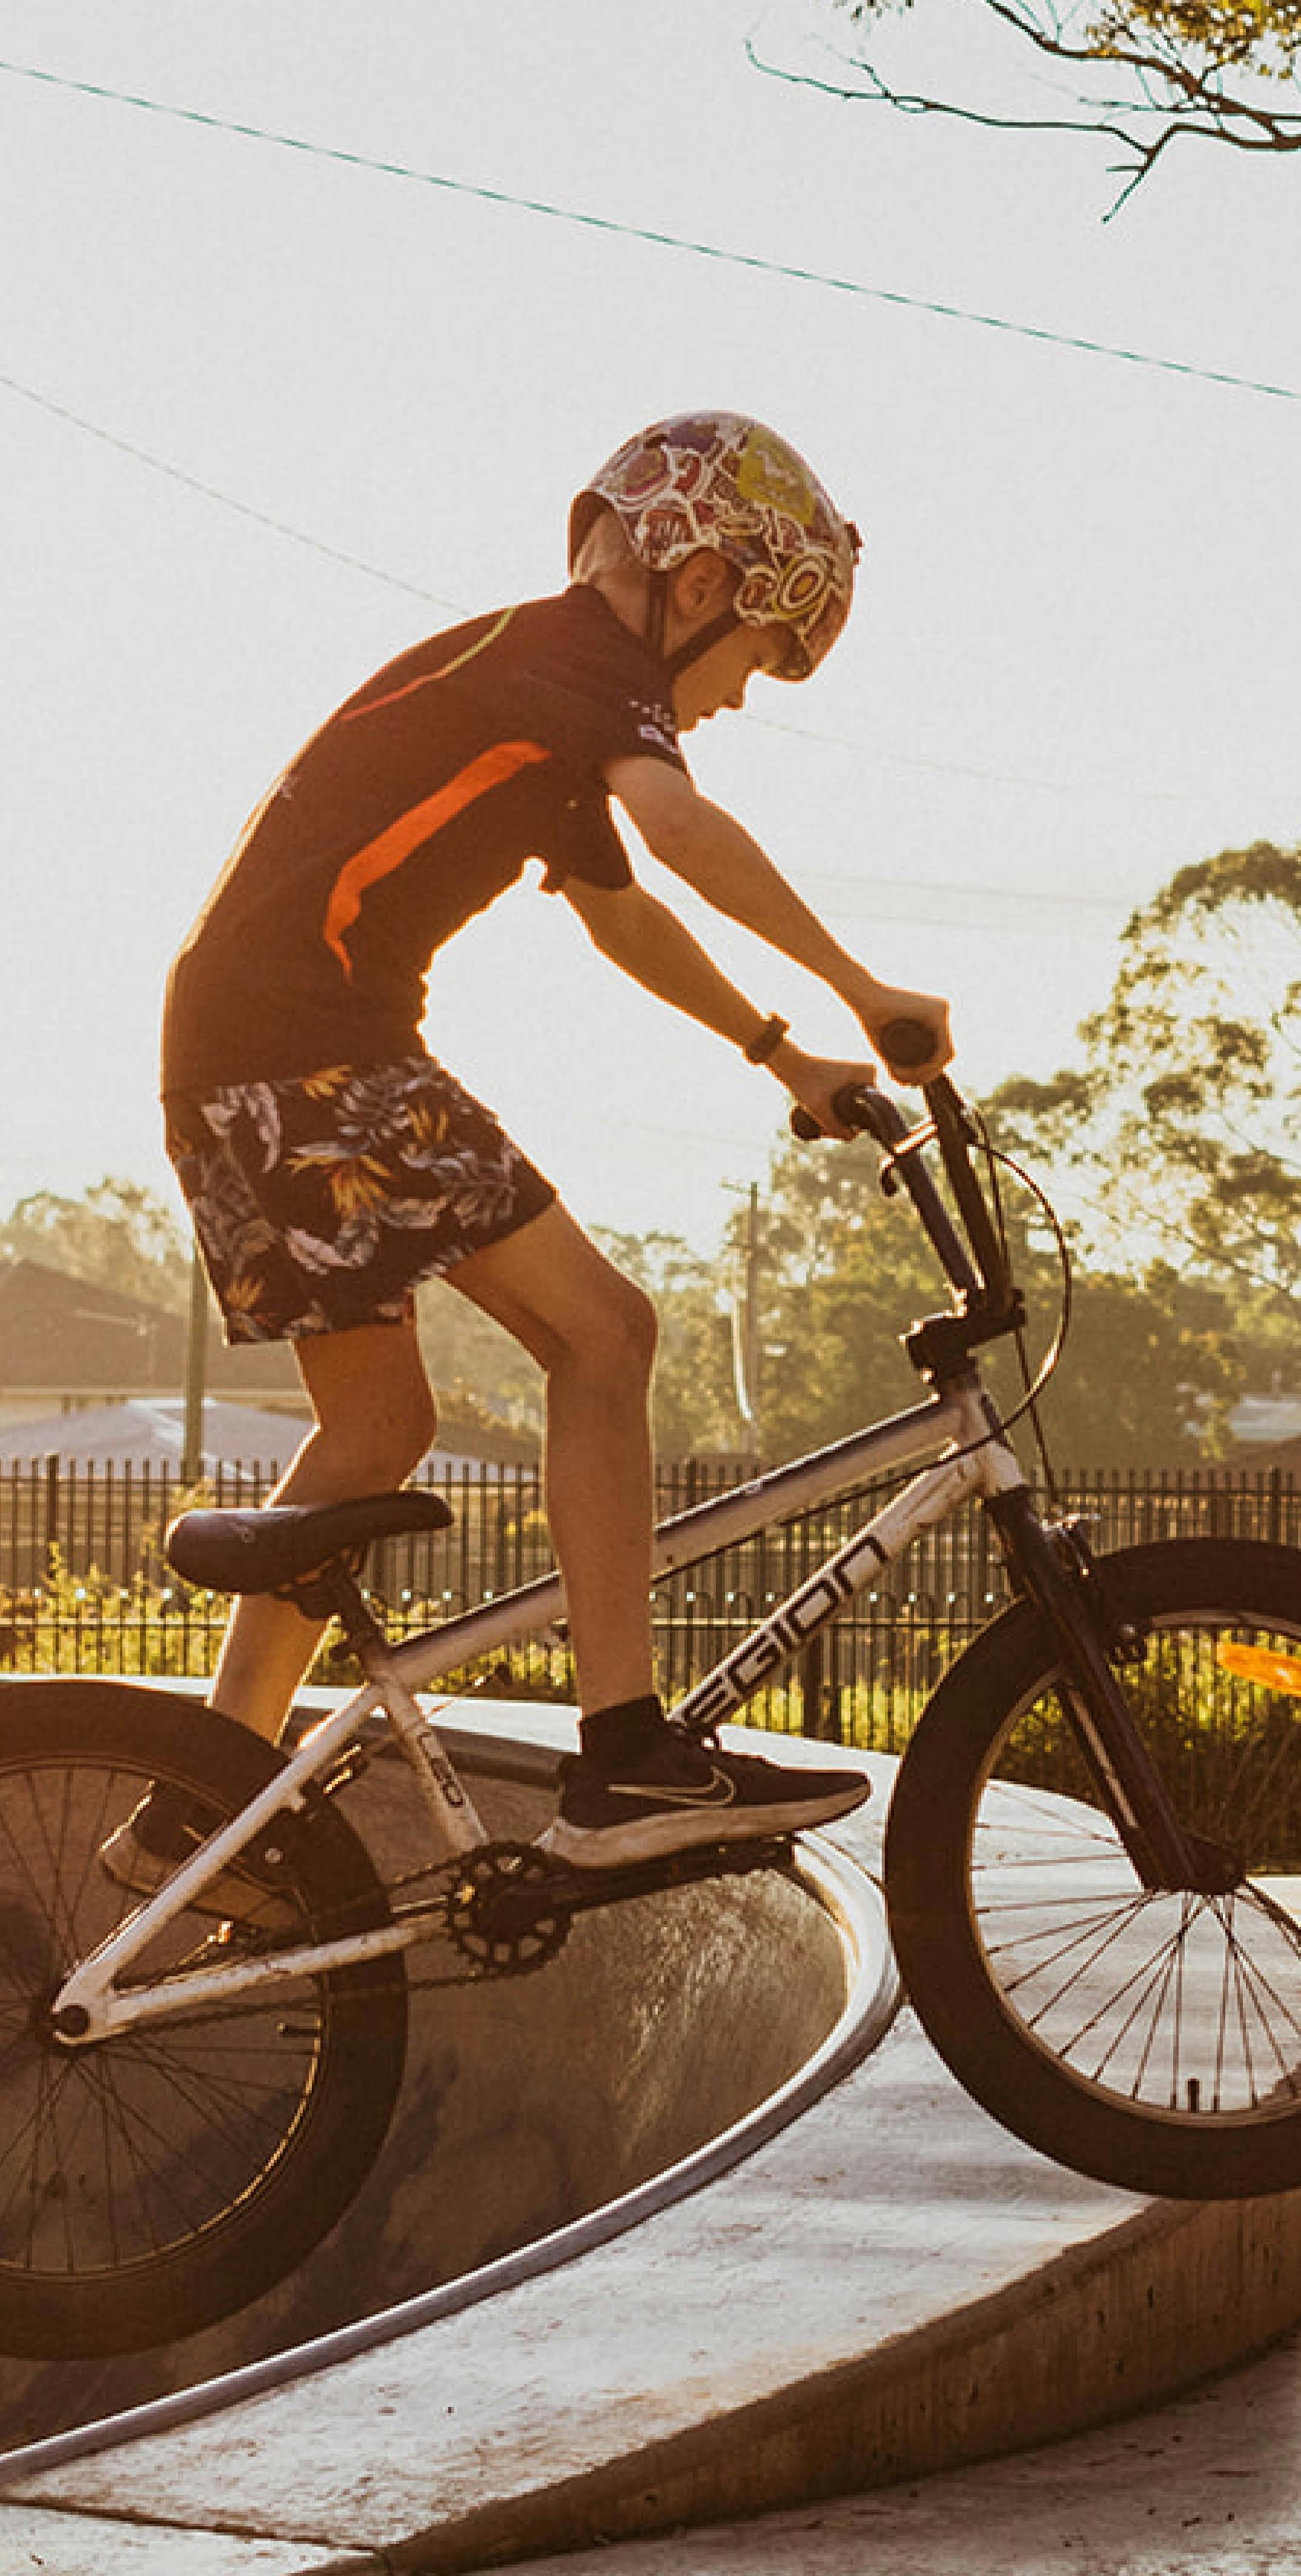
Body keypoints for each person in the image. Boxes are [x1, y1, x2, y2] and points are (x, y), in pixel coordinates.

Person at [113, 410, 955, 1914]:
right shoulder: (578, 661)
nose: (746, 697)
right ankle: (624, 1752)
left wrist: (781, 1055)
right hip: (309, 1059)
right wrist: (862, 990)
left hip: (244, 1059)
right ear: (695, 585)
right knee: (606, 1332)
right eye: (760, 655)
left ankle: (200, 1809)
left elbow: (619, 907)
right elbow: (677, 828)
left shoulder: (537, 689)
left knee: (375, 1431)